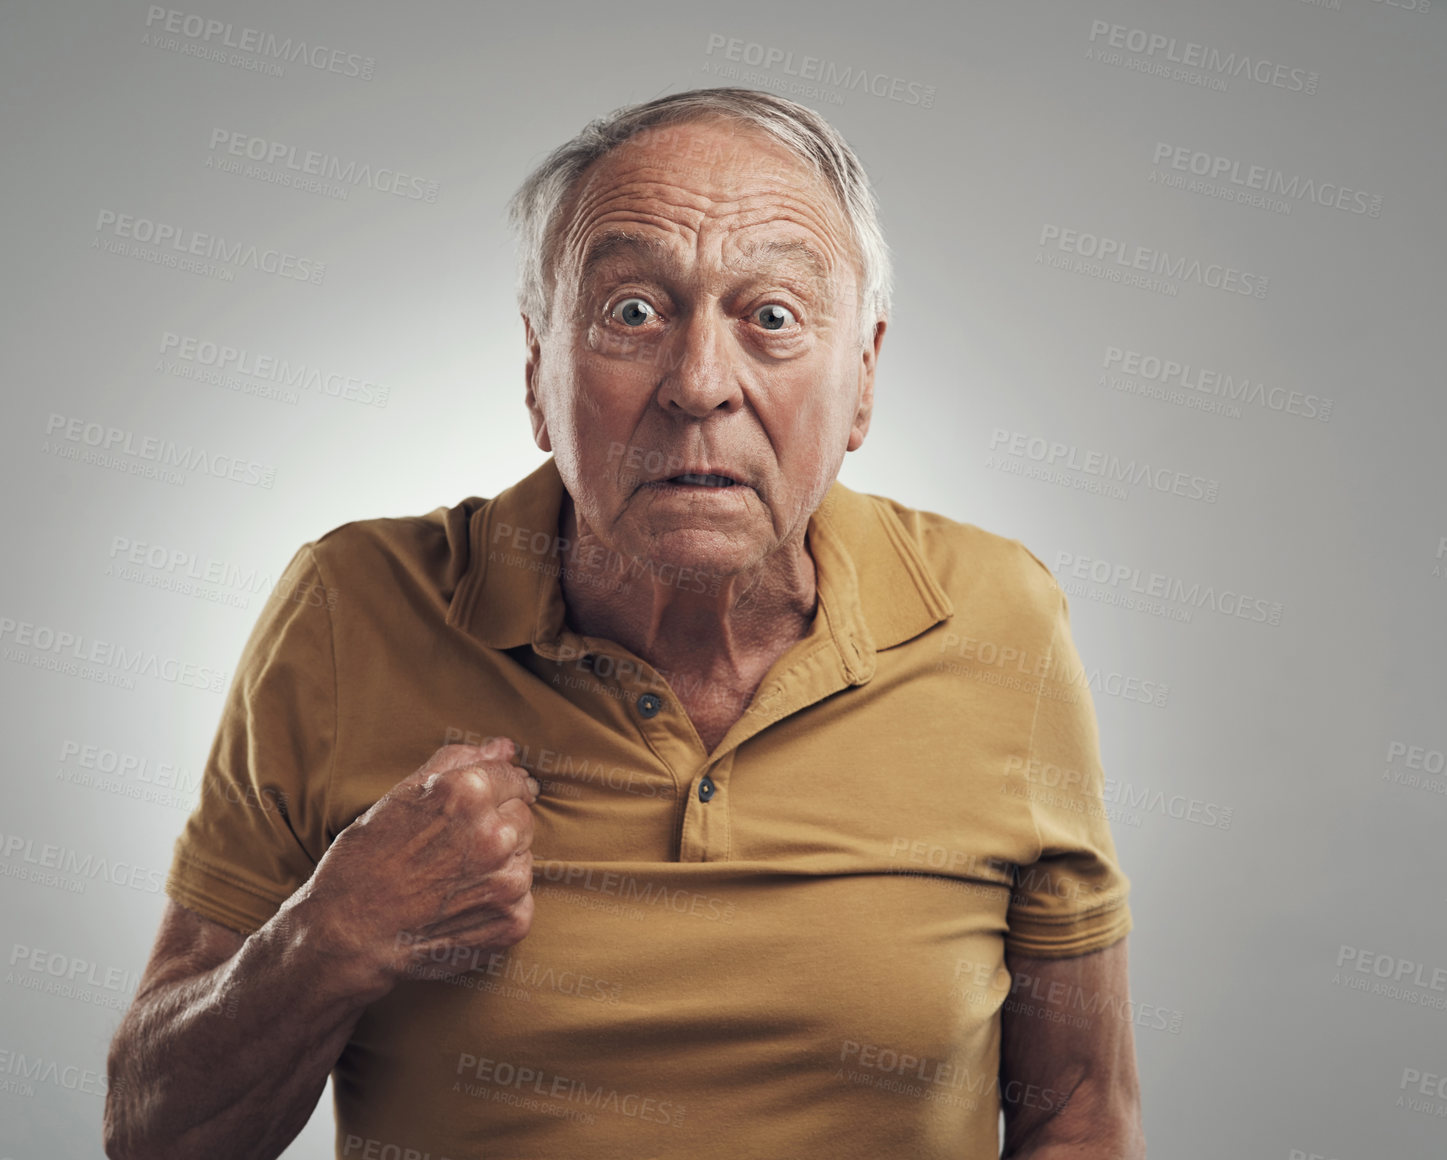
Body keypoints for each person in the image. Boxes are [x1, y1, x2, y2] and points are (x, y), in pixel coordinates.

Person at [103, 87, 1143, 1160]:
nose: (698, 384)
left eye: (771, 317)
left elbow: (1079, 1110)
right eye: (633, 312)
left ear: (865, 379)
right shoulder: (348, 607)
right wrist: (333, 933)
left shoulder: (997, 617)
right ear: (537, 375)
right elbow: (156, 1132)